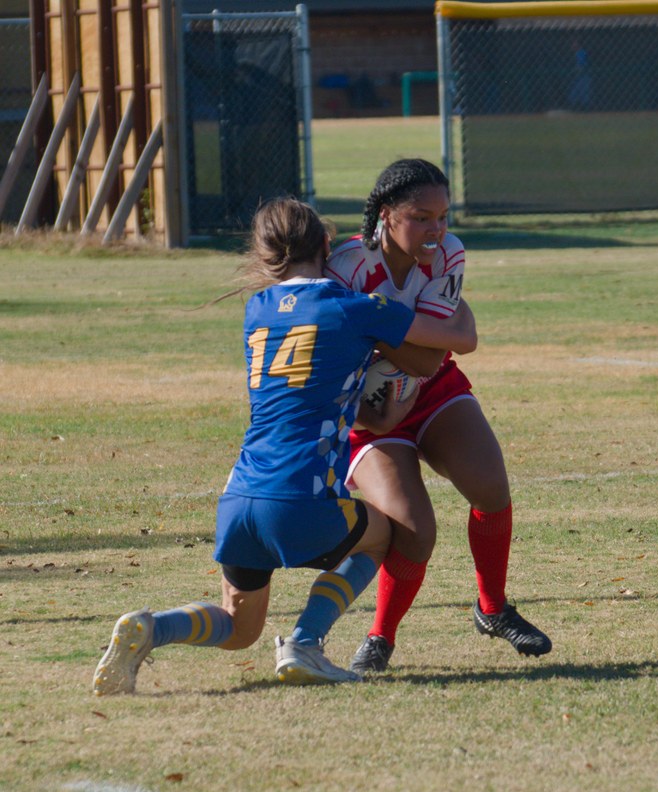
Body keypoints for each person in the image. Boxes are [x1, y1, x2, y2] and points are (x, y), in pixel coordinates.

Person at [93, 197, 472, 695]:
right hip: (300, 499)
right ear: (326, 245)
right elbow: (445, 346)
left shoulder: (258, 309)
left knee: (238, 628)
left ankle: (152, 627)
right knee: (390, 534)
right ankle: (305, 641)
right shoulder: (356, 307)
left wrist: (379, 415)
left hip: (239, 497)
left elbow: (311, 387)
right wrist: (449, 294)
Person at [324, 159, 552, 674]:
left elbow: (429, 362)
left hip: (430, 388)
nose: (437, 230)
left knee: (491, 486)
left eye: (443, 216)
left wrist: (375, 324)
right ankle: (380, 637)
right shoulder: (347, 266)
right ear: (386, 215)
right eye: (422, 217)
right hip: (365, 410)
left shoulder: (447, 253)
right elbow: (439, 341)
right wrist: (445, 333)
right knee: (416, 530)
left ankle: (492, 609)